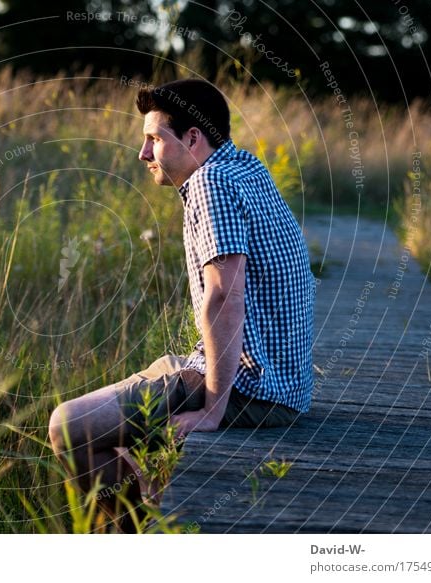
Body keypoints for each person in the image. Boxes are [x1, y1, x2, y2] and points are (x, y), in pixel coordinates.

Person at [48, 79, 316, 533]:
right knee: (137, 401)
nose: (143, 154)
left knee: (67, 425)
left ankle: (131, 539)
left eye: (154, 139)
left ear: (193, 138)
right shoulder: (243, 166)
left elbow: (223, 296)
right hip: (280, 381)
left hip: (255, 386)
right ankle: (142, 509)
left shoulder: (212, 183)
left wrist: (212, 409)